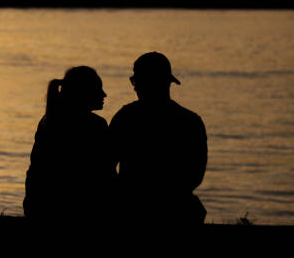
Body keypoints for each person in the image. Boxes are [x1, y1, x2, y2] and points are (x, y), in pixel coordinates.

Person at [109, 52, 207, 226]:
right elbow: (195, 174)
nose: (134, 88)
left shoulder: (125, 117)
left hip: (131, 210)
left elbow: (106, 165)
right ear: (168, 83)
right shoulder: (191, 121)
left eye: (135, 82)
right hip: (177, 211)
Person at [23, 66, 115, 224]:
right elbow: (105, 173)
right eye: (98, 89)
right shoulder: (95, 125)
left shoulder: (48, 120)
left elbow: (36, 173)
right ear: (83, 93)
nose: (103, 94)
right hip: (79, 212)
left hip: (41, 209)